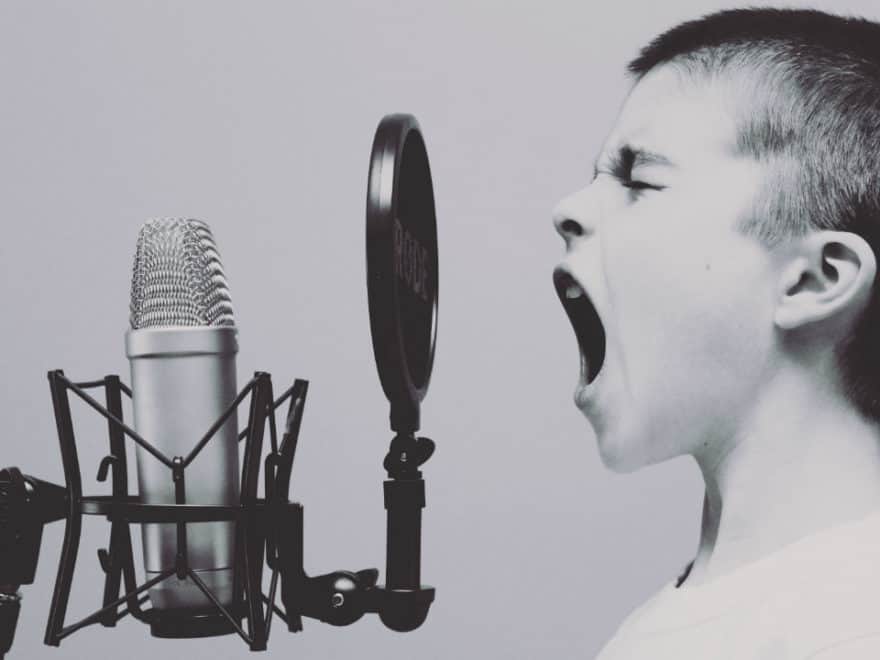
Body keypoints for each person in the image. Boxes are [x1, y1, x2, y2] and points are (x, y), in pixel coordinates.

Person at [551, 8, 880, 659]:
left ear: (813, 279)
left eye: (639, 180)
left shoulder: (851, 625)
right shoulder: (693, 617)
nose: (567, 209)